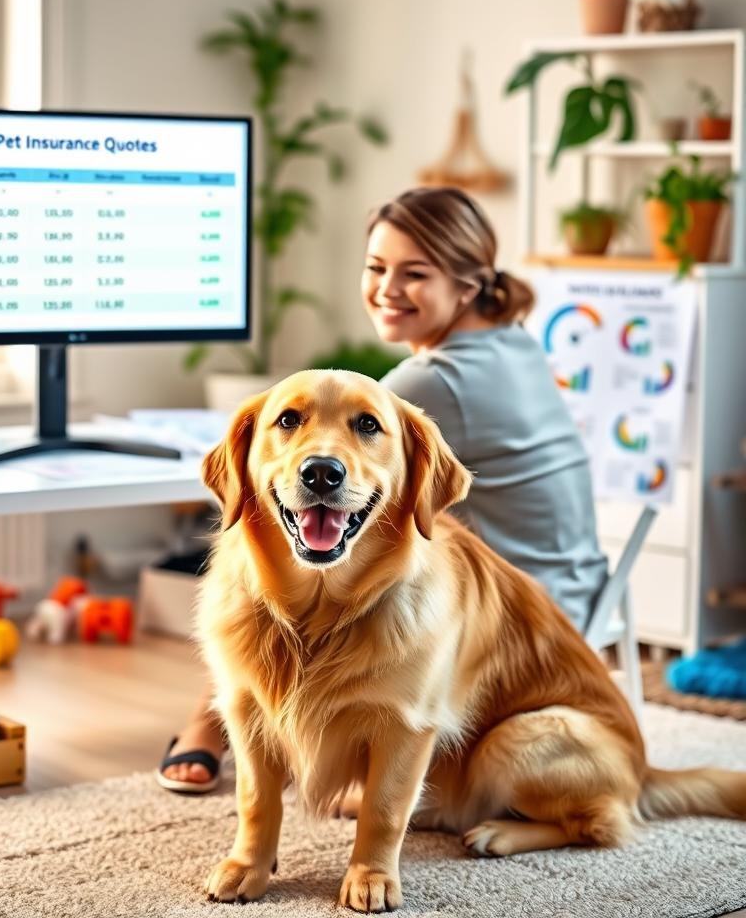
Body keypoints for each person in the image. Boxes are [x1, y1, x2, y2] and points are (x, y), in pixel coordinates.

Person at [156, 185, 610, 794]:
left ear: (467, 286)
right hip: (578, 587)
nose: (387, 288)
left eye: (415, 273)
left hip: (511, 622)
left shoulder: (428, 382)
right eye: (376, 267)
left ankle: (210, 724)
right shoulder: (513, 342)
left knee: (261, 559)